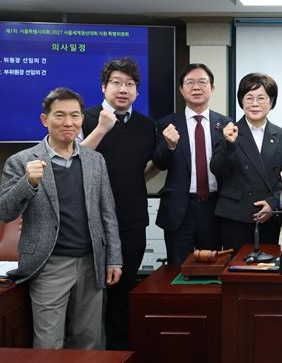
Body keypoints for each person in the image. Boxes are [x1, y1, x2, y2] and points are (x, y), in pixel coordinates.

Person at [0, 88, 122, 349]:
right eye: (60, 115)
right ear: (45, 119)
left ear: (82, 120)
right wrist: (28, 183)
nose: (69, 122)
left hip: (91, 263)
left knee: (89, 341)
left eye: (75, 115)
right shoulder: (21, 161)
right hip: (49, 265)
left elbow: (107, 213)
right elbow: (5, 212)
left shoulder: (95, 160)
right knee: (48, 345)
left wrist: (114, 258)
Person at [79, 58, 158, 350]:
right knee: (88, 297)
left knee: (123, 296)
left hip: (131, 221)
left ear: (137, 91)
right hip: (88, 222)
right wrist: (101, 129)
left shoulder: (147, 126)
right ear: (104, 87)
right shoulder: (84, 119)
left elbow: (149, 167)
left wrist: (135, 180)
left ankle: (117, 353)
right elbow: (70, 162)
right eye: (116, 83)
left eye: (130, 84)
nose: (123, 89)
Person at [153, 63, 232, 266]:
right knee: (178, 269)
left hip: (214, 209)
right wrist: (170, 145)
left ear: (212, 88)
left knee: (212, 268)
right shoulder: (167, 124)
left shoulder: (225, 124)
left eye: (202, 82)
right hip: (180, 208)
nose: (196, 87)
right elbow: (160, 163)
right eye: (190, 82)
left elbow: (229, 167)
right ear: (181, 89)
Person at [209, 73, 282, 253]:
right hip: (235, 215)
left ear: (271, 102)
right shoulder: (228, 130)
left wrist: (272, 203)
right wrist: (229, 144)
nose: (255, 103)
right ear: (241, 101)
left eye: (261, 98)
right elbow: (216, 169)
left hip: (268, 215)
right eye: (249, 98)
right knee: (236, 266)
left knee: (268, 266)